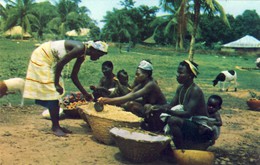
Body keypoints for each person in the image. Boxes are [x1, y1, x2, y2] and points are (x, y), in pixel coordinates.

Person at [23, 40, 108, 137]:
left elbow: (74, 76)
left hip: (50, 60)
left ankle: (56, 125)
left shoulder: (82, 54)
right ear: (93, 49)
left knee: (56, 94)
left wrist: (85, 94)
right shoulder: (80, 48)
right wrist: (56, 84)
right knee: (53, 92)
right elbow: (60, 64)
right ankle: (55, 127)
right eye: (99, 54)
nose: (98, 58)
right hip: (42, 56)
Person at [98, 60, 167, 132]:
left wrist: (107, 100)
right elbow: (131, 93)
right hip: (150, 109)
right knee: (128, 104)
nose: (136, 76)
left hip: (159, 112)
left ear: (146, 74)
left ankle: (153, 128)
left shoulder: (151, 84)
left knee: (133, 104)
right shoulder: (143, 82)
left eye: (138, 74)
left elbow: (133, 96)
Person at [154, 60, 209, 149]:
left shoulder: (195, 91)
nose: (177, 75)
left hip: (200, 128)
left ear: (190, 75)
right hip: (188, 123)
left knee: (173, 120)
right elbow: (171, 105)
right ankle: (165, 147)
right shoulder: (181, 88)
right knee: (157, 115)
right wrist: (157, 107)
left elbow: (188, 114)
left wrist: (165, 110)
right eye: (177, 72)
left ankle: (181, 149)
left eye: (181, 73)